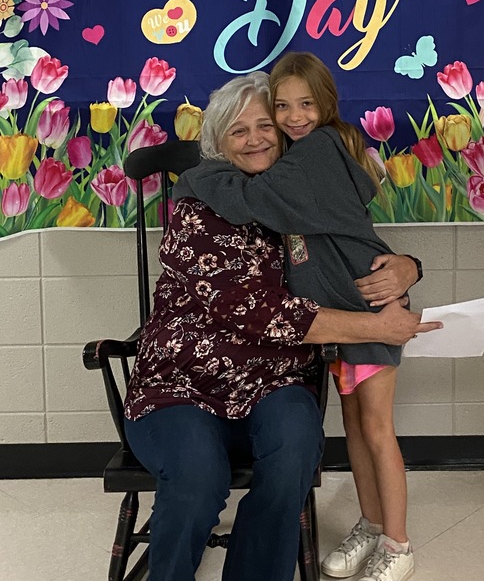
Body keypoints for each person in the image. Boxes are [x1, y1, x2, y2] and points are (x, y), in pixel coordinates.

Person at [123, 71, 436, 581]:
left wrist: (407, 264)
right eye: (239, 130)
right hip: (182, 382)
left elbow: (351, 248)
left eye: (265, 125)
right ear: (217, 144)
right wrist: (376, 328)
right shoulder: (200, 207)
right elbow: (263, 313)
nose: (256, 138)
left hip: (276, 381)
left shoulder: (294, 199)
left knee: (293, 452)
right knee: (198, 477)